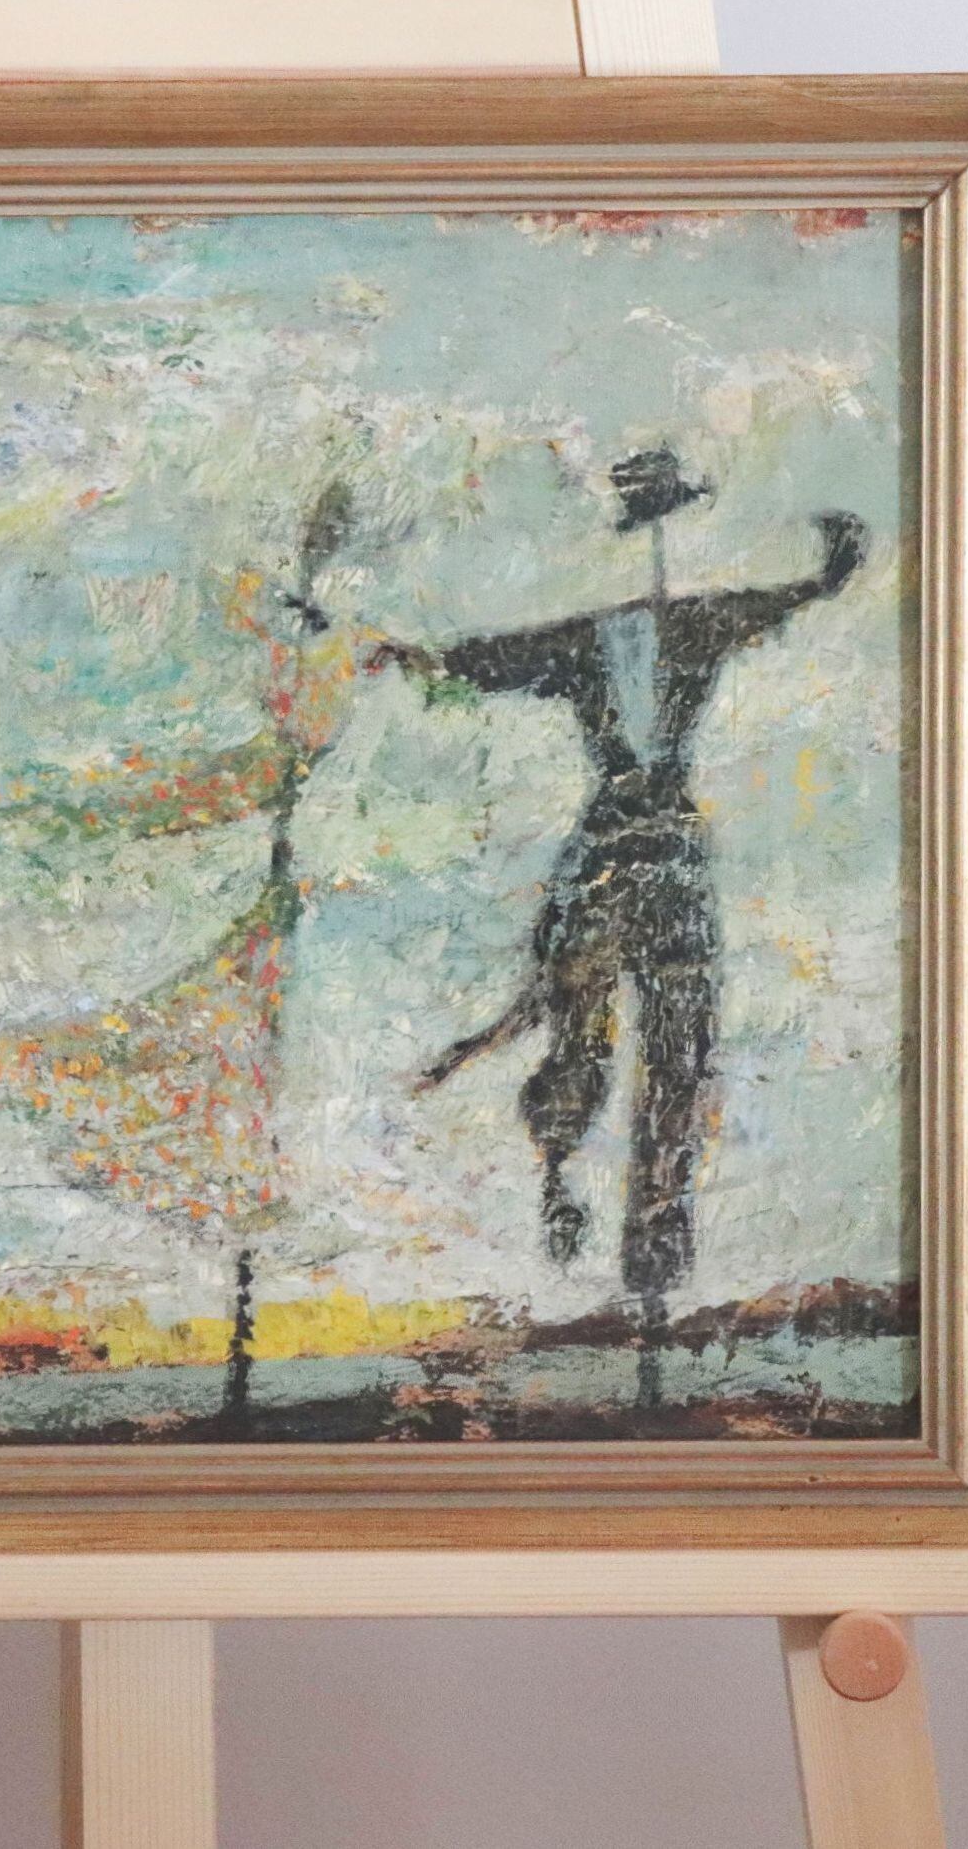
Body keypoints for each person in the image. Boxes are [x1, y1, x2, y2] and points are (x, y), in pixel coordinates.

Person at [368, 448, 869, 1307]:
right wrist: (423, 660)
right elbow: (493, 661)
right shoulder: (600, 639)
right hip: (628, 848)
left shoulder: (692, 624)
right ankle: (567, 1181)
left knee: (675, 1045)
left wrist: (830, 573)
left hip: (658, 849)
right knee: (595, 1029)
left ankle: (653, 1241)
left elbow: (787, 598)